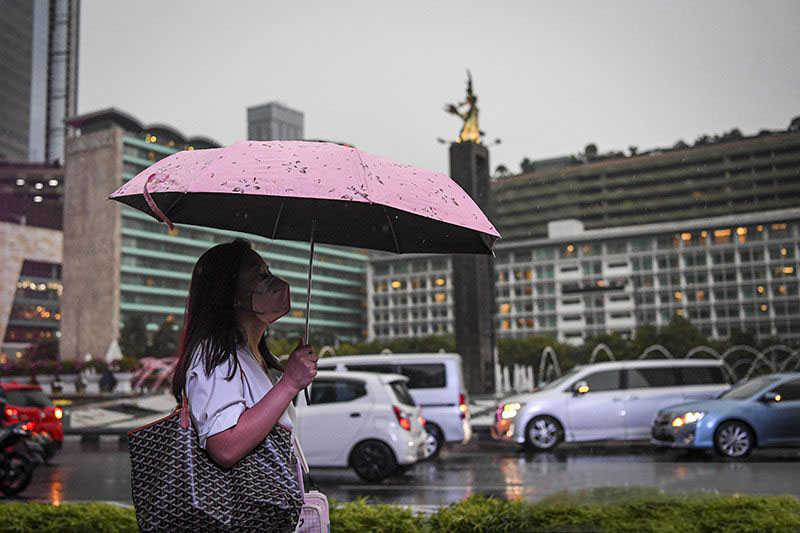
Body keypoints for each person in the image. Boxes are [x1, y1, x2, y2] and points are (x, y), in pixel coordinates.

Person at [170, 238, 318, 472]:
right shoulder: (215, 354)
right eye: (259, 275)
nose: (273, 282)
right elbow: (225, 446)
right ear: (231, 293)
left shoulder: (251, 355)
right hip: (239, 507)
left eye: (268, 272)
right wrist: (289, 383)